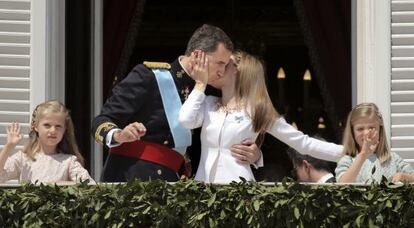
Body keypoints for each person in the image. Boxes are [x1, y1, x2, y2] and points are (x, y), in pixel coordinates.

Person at [92, 24, 262, 182]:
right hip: (132, 179)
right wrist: (119, 135)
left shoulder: (209, 92)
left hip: (173, 182)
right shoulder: (150, 76)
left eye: (225, 66)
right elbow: (100, 122)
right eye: (220, 63)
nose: (222, 71)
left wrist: (255, 155)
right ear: (197, 55)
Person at [178, 50, 344, 183]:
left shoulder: (257, 110)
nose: (218, 69)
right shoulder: (207, 103)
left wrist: (352, 153)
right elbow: (186, 120)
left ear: (237, 72)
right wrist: (200, 84)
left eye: (224, 64)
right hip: (204, 190)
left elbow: (303, 143)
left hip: (238, 193)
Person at [0, 101, 94, 184]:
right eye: (47, 125)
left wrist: (58, 184)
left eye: (58, 126)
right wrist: (9, 146)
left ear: (64, 129)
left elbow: (89, 184)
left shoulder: (69, 161)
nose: (53, 130)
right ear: (36, 126)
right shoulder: (23, 159)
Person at [335, 103, 414, 183]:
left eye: (371, 128)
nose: (366, 133)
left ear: (380, 129)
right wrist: (363, 154)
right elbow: (342, 184)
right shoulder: (347, 160)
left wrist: (405, 177)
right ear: (352, 132)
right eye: (360, 129)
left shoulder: (392, 159)